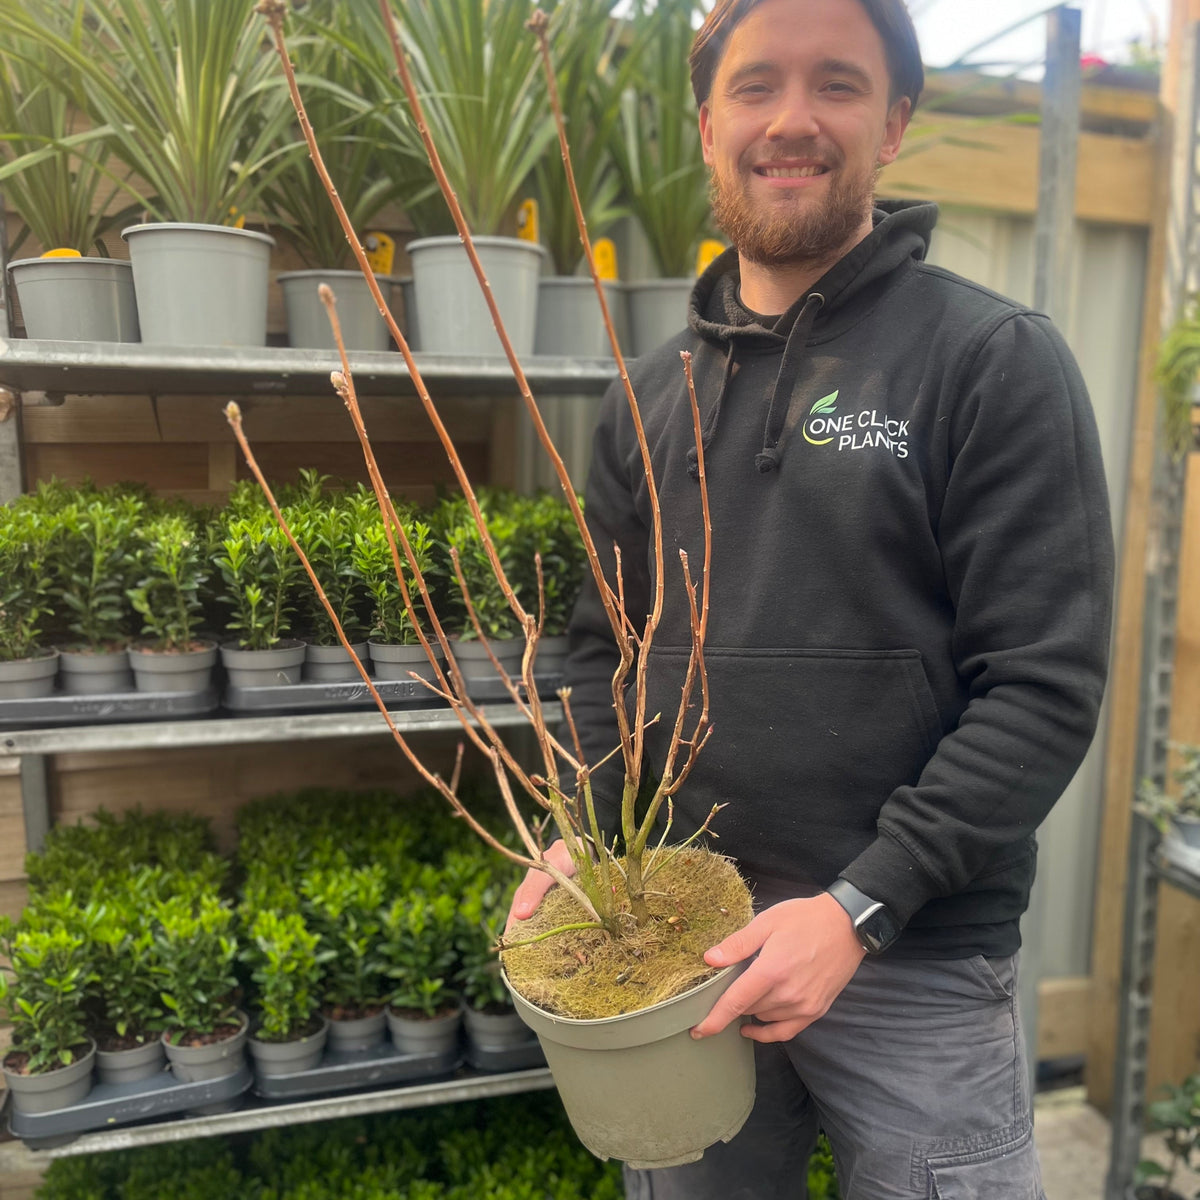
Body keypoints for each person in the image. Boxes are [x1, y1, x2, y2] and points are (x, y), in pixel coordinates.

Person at [509, 0, 1114, 1196]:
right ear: (706, 124)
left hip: (917, 963)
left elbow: (1042, 685)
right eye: (756, 85)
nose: (792, 119)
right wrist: (582, 826)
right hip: (682, 959)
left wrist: (858, 905)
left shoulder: (990, 362)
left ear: (893, 124)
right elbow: (597, 652)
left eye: (836, 84)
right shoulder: (650, 396)